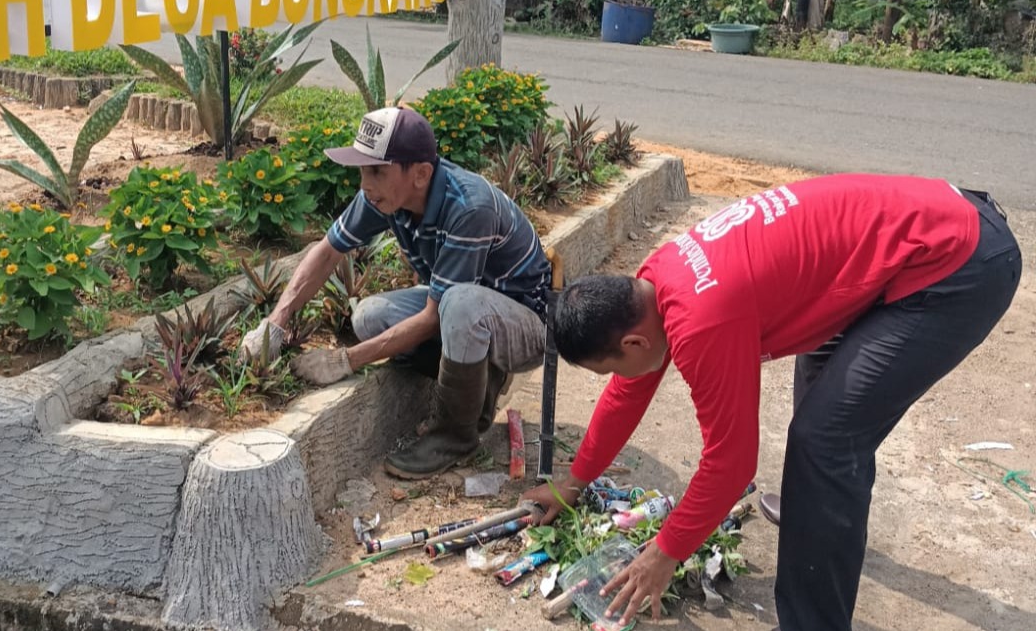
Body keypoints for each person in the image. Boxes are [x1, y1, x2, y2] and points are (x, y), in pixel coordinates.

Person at [521, 174, 1021, 631]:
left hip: (958, 265)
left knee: (825, 441)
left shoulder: (701, 322)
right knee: (821, 400)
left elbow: (731, 464)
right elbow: (630, 390)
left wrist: (665, 553)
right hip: (919, 233)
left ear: (633, 344)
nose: (617, 379)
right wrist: (572, 484)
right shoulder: (653, 283)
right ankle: (817, 512)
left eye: (608, 368)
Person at [240, 106, 551, 479]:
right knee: (369, 317)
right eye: (361, 170)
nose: (364, 184)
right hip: (465, 312)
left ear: (420, 174)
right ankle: (482, 378)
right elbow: (327, 252)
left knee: (460, 303)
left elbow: (435, 315)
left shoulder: (469, 206)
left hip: (528, 325)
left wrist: (346, 361)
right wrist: (275, 324)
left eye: (376, 171)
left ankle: (454, 436)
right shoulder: (385, 196)